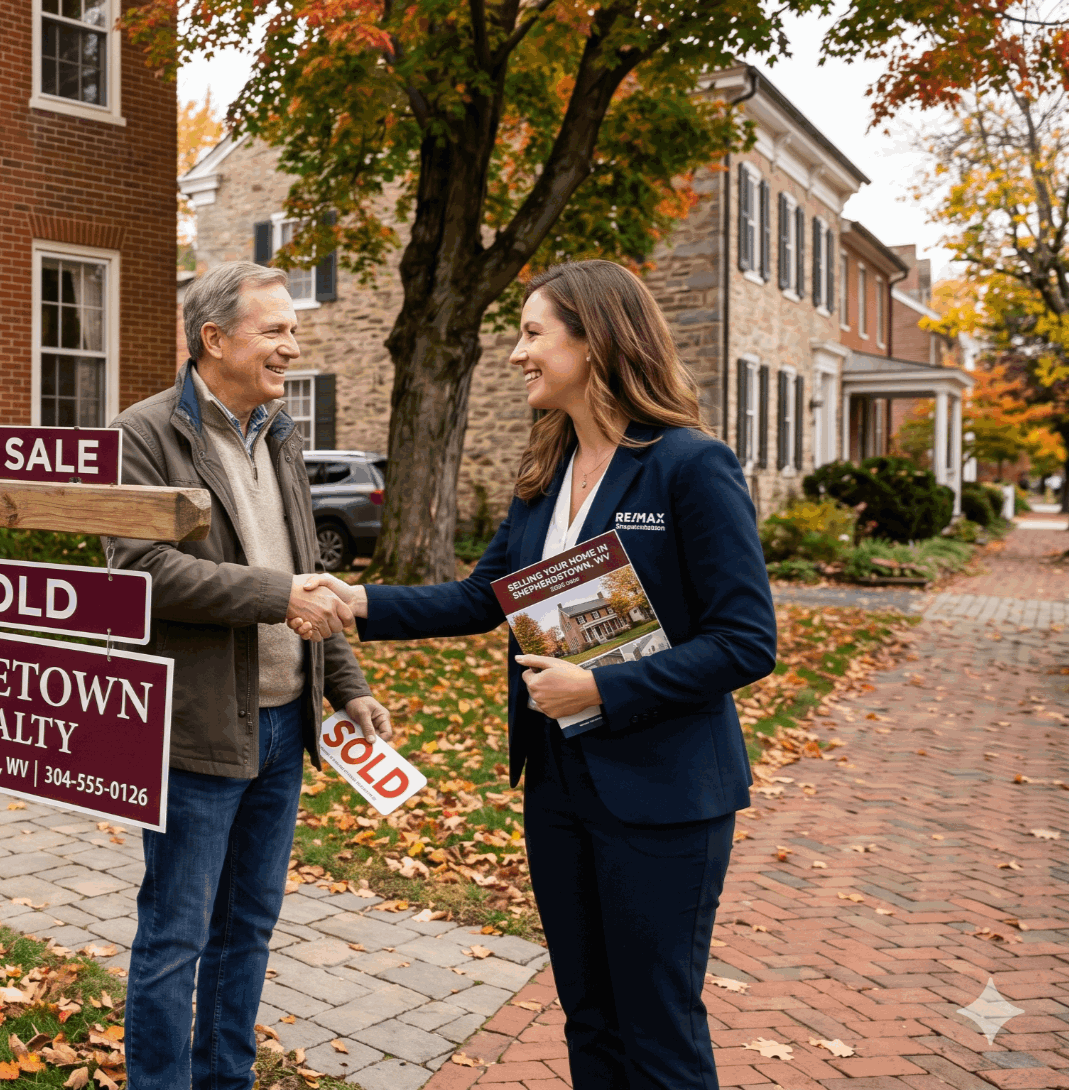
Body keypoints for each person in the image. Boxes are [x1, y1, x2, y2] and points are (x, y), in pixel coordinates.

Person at [299, 259, 776, 1089]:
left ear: (594, 342)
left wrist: (603, 689)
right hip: (557, 781)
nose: (517, 354)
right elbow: (482, 597)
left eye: (532, 334)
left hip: (663, 794)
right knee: (588, 1015)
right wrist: (358, 601)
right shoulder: (544, 471)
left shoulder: (690, 466)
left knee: (657, 1027)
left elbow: (746, 640)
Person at [104, 260, 392, 1090]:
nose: (291, 347)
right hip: (195, 730)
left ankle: (224, 1078)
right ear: (214, 339)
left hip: (281, 725)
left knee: (250, 928)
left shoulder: (282, 434)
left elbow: (308, 573)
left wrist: (348, 685)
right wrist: (278, 595)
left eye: (292, 332)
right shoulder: (147, 434)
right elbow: (144, 573)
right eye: (275, 331)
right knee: (176, 935)